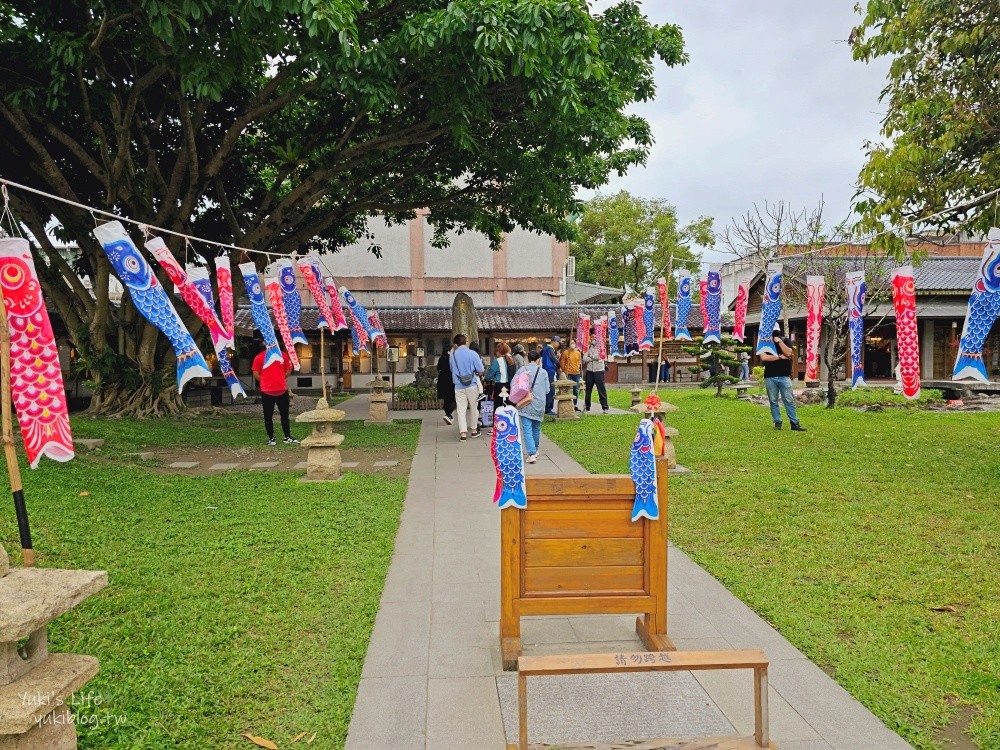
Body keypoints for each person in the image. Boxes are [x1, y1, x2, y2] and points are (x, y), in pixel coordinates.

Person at [760, 323, 806, 431]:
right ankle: (777, 422)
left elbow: (789, 353)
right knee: (773, 401)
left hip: (784, 376)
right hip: (770, 376)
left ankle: (794, 423)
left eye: (775, 332)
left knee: (789, 400)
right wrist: (779, 357)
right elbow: (764, 357)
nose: (773, 334)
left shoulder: (785, 340)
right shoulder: (764, 343)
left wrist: (779, 342)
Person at [251, 346, 298, 446]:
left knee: (285, 415)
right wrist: (265, 382)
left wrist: (280, 378)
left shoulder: (283, 356)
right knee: (268, 416)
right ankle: (271, 438)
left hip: (282, 390)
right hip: (267, 391)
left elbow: (289, 369)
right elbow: (255, 373)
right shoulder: (259, 357)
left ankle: (287, 436)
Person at [513, 350, 551, 463]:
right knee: (536, 428)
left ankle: (531, 453)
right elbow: (548, 390)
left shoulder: (522, 370)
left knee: (527, 429)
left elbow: (513, 385)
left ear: (528, 359)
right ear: (539, 359)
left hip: (525, 402)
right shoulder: (543, 372)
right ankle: (535, 449)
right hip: (539, 403)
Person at [449, 334, 484, 440]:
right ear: (466, 342)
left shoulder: (453, 355)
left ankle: (463, 433)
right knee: (474, 407)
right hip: (472, 384)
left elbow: (451, 369)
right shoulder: (472, 353)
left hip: (458, 385)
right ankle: (474, 430)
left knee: (461, 409)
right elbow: (481, 369)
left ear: (455, 344)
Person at [581, 334, 609, 413]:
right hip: (590, 371)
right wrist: (593, 357)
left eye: (595, 337)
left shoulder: (601, 347)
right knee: (588, 390)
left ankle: (605, 407)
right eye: (592, 337)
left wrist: (591, 357)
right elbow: (584, 358)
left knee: (601, 389)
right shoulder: (588, 347)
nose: (593, 339)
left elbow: (601, 356)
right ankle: (587, 407)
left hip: (599, 371)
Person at [485, 342, 515, 412]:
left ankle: (499, 422)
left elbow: (489, 375)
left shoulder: (497, 361)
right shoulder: (511, 360)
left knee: (498, 409)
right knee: (508, 408)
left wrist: (486, 378)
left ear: (498, 351)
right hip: (510, 386)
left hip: (499, 387)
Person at [559, 339, 582, 410]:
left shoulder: (578, 353)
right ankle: (567, 403)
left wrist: (578, 369)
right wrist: (564, 370)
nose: (573, 344)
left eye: (574, 343)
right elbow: (562, 362)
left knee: (576, 390)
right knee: (566, 389)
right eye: (571, 343)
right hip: (568, 373)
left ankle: (575, 404)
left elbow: (579, 362)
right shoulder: (565, 352)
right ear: (568, 344)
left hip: (576, 373)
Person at [437, 344, 457, 424]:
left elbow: (438, 368)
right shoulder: (451, 359)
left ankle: (448, 415)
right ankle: (448, 414)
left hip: (442, 381)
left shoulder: (441, 358)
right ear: (449, 351)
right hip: (450, 381)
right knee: (453, 399)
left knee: (446, 399)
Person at [541, 335, 561, 415]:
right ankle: (548, 409)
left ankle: (547, 408)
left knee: (547, 389)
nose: (559, 344)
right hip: (549, 371)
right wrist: (559, 367)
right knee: (551, 390)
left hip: (546, 371)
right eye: (558, 343)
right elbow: (555, 360)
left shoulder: (545, 349)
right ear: (554, 342)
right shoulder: (549, 349)